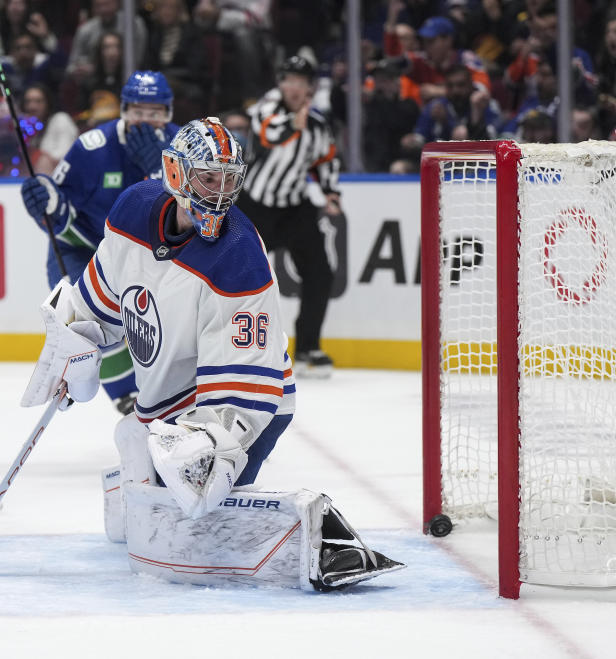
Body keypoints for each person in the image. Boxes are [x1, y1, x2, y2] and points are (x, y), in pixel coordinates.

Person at [20, 117, 404, 590]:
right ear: (176, 174)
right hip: (168, 397)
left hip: (243, 400)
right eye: (208, 177)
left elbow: (249, 382)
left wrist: (215, 447)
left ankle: (315, 537)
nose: (220, 191)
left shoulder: (240, 256)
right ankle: (167, 509)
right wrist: (73, 345)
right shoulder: (131, 210)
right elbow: (99, 301)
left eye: (229, 179)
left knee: (185, 480)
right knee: (133, 450)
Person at [19, 70, 180, 414]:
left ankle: (177, 399)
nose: (146, 120)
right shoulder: (93, 148)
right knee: (87, 322)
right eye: (139, 110)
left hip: (147, 259)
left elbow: (192, 216)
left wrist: (159, 170)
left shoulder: (181, 146)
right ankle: (127, 398)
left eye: (155, 112)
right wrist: (44, 206)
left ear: (168, 113)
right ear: (123, 109)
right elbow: (59, 215)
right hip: (84, 251)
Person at [235, 55, 340, 378]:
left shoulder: (318, 124)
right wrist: (294, 122)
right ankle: (236, 345)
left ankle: (308, 346)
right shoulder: (267, 108)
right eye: (289, 80)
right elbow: (268, 135)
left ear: (310, 88)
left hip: (295, 207)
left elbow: (325, 158)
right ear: (281, 83)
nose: (293, 87)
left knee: (320, 273)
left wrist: (330, 191)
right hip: (256, 205)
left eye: (301, 82)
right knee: (240, 276)